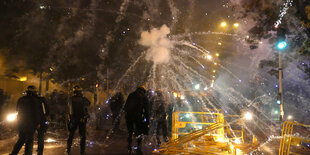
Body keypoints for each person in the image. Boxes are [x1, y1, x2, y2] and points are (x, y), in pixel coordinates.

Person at [10, 86, 41, 155]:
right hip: (31, 123)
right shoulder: (35, 100)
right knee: (29, 140)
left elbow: (17, 110)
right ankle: (28, 153)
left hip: (21, 122)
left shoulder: (21, 99)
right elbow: (36, 113)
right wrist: (38, 123)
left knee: (21, 138)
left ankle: (14, 153)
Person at [124, 86, 149, 154]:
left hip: (129, 116)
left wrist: (126, 114)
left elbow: (125, 106)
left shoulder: (131, 95)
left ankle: (129, 147)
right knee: (139, 132)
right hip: (138, 117)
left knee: (130, 132)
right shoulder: (144, 97)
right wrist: (147, 120)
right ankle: (139, 148)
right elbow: (146, 110)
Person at [67, 86, 90, 155]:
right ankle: (82, 151)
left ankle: (68, 150)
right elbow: (89, 103)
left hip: (73, 119)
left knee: (71, 135)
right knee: (82, 136)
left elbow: (68, 108)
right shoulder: (83, 99)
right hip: (82, 119)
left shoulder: (70, 99)